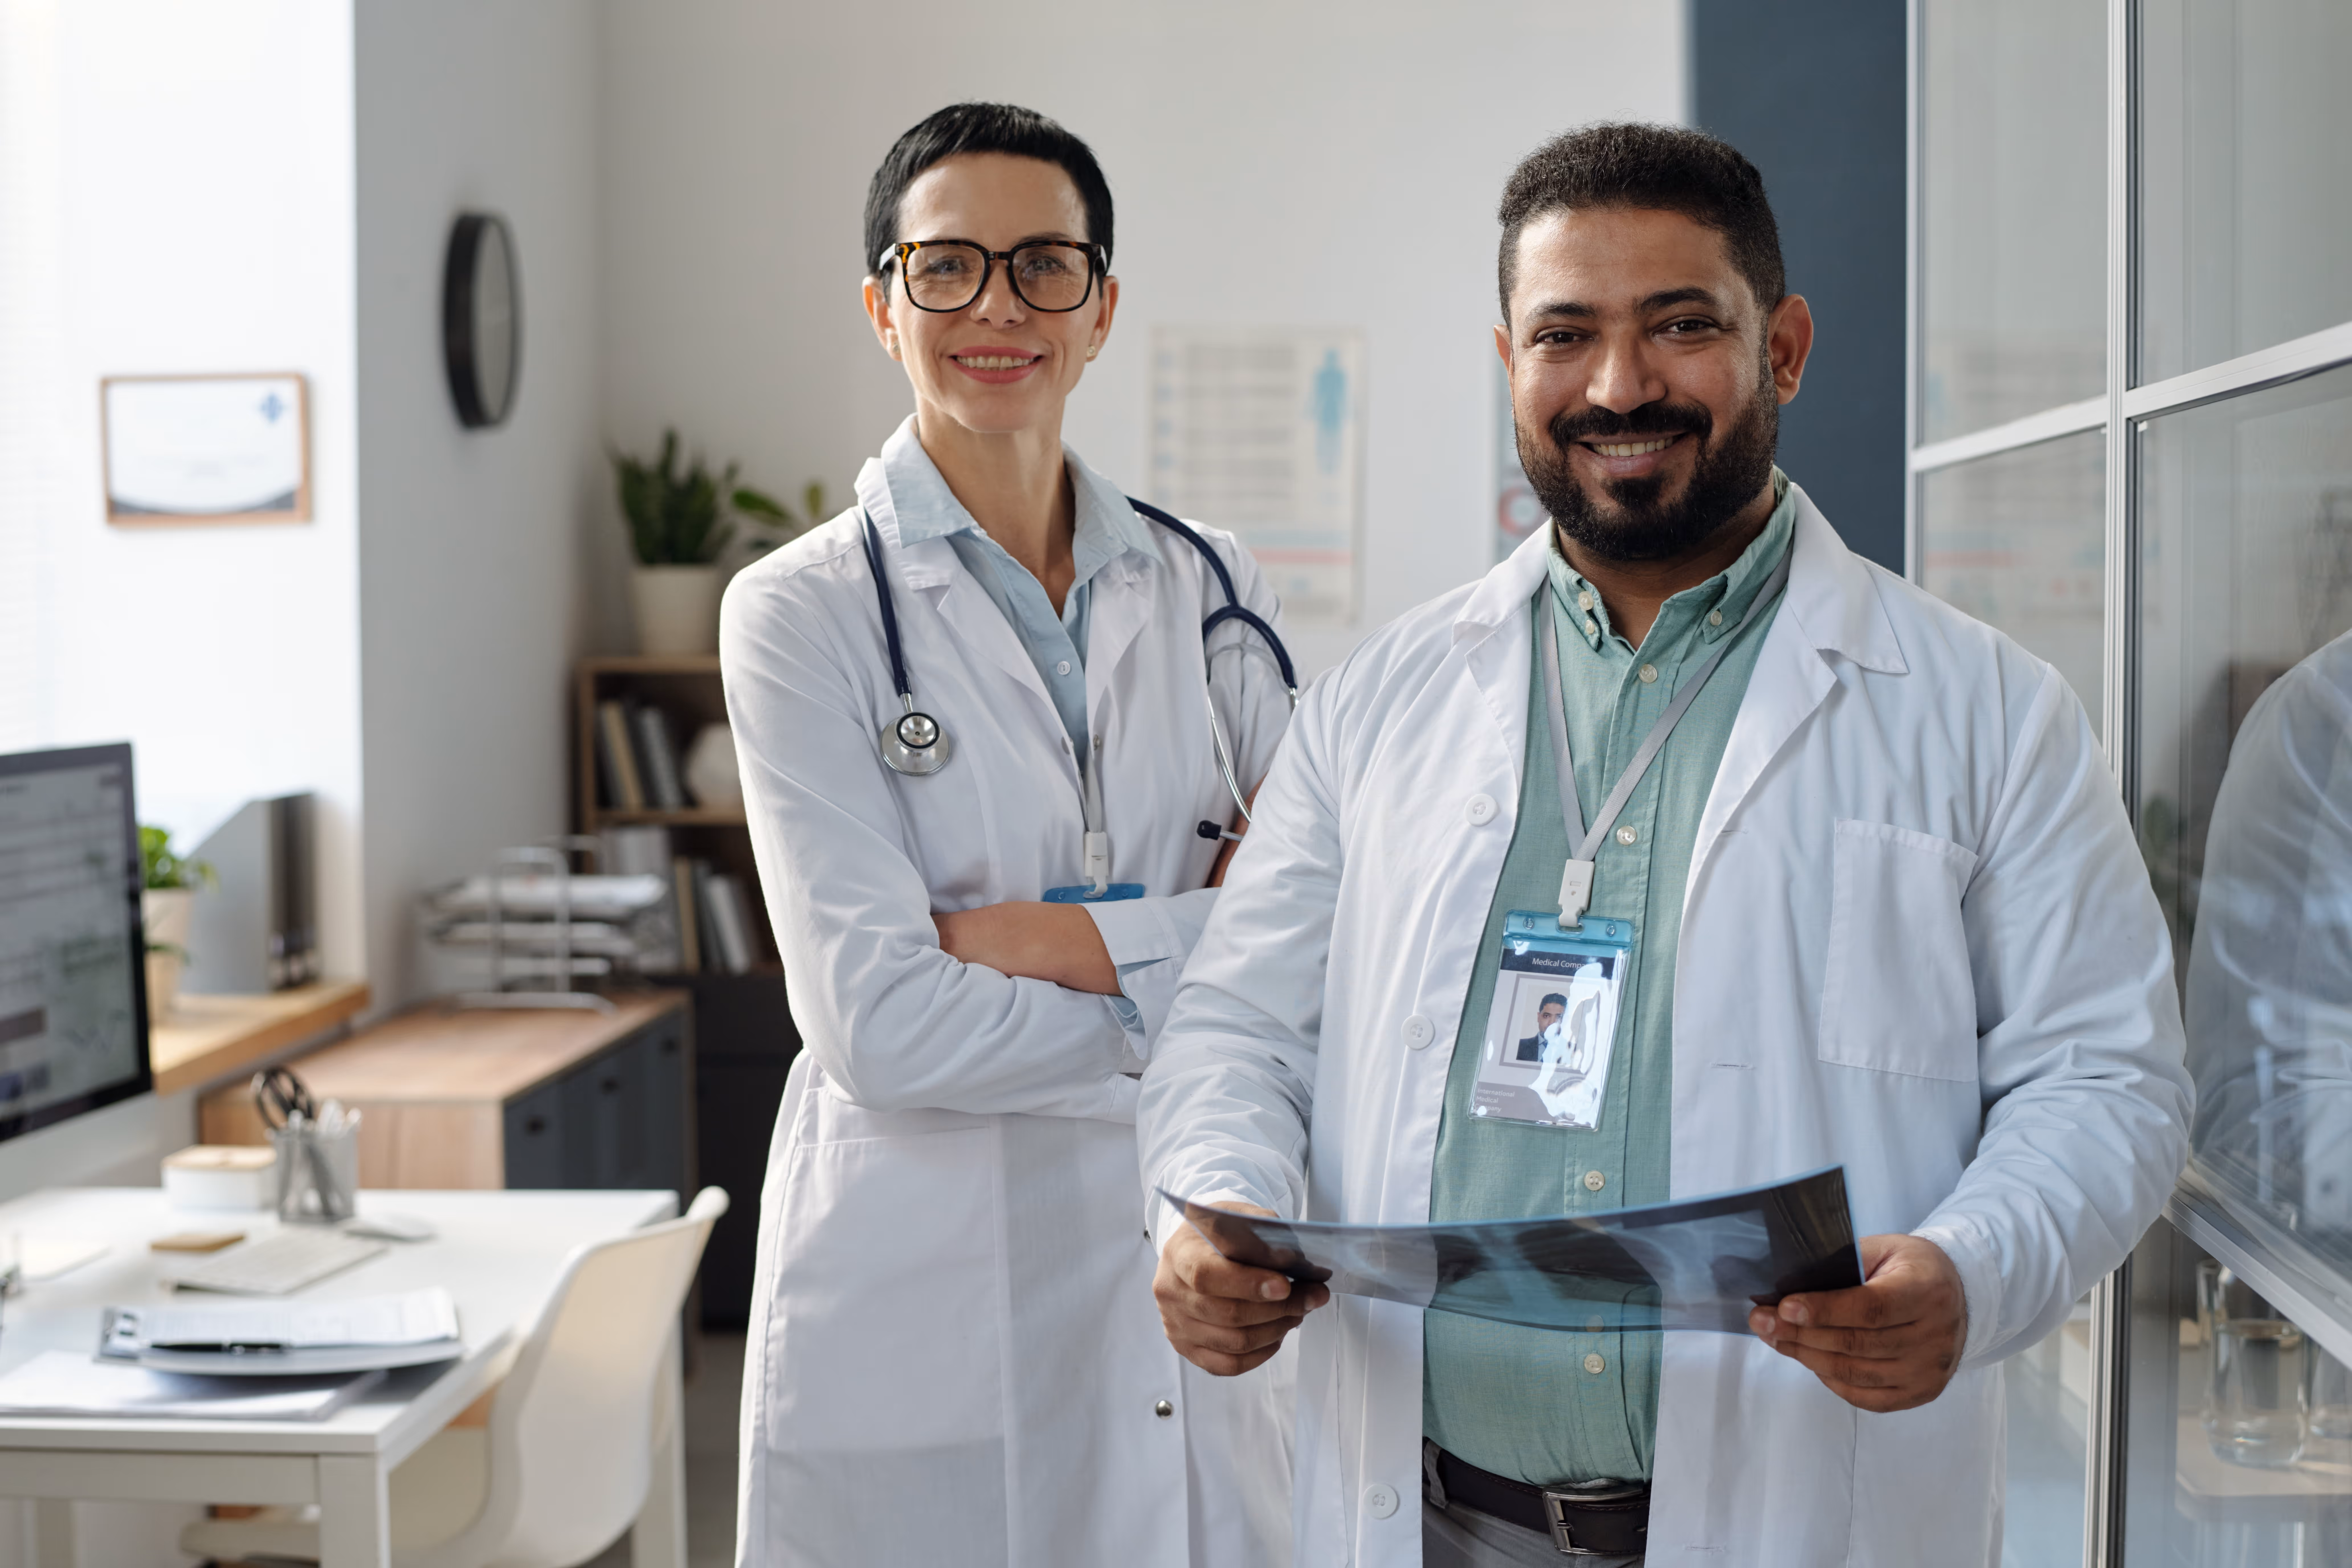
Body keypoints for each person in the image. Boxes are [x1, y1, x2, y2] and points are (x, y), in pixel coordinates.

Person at [1136, 123, 2191, 1568]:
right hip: (1427, 1505)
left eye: (1679, 325)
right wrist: (1215, 1208)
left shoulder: (1984, 707)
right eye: (1565, 333)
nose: (1619, 385)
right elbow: (1234, 1025)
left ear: (1786, 346)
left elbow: (2104, 1074)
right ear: (1508, 355)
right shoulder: (1381, 701)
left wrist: (1973, 1268)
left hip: (1802, 1505)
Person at [722, 103, 1295, 1568]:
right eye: (946, 266)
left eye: (1044, 265)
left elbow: (1320, 927)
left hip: (1178, 1227)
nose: (995, 305)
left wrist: (1051, 947)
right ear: (882, 306)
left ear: (1100, 309)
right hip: (923, 1270)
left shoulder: (1205, 579)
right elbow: (884, 1027)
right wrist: (1187, 980)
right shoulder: (800, 611)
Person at [1514, 993, 1567, 1061]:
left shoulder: (1574, 1050)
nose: (1551, 1023)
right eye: (1547, 1016)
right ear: (1539, 1017)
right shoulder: (1519, 1046)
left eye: (1559, 1017)